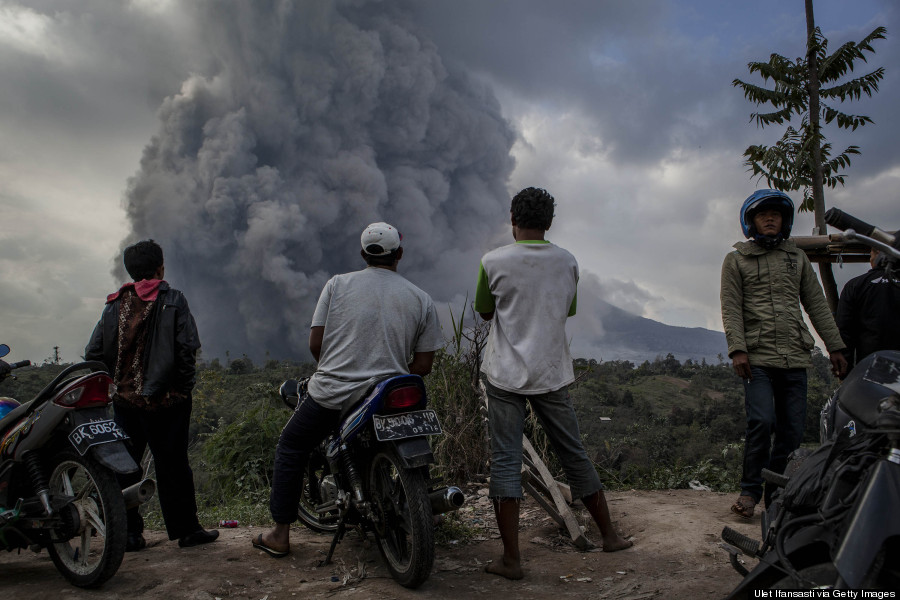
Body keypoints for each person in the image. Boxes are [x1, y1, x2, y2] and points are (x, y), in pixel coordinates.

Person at [253, 222, 444, 558]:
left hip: (333, 393)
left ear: (363, 254)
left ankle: (280, 534)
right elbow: (424, 366)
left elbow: (316, 344)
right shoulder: (421, 298)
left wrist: (342, 367)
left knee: (291, 445)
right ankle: (424, 510)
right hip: (386, 393)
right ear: (399, 253)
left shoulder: (337, 285)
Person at [474, 187, 632, 581]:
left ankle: (511, 560)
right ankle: (609, 535)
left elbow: (483, 311)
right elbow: (568, 309)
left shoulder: (492, 262)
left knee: (506, 461)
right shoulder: (567, 262)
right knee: (573, 452)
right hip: (550, 374)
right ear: (549, 223)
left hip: (505, 376)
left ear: (513, 220)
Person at [720, 190, 848, 519]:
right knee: (761, 422)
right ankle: (749, 492)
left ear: (785, 220)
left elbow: (816, 304)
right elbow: (731, 308)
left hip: (795, 357)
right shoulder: (736, 260)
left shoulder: (797, 259)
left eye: (776, 214)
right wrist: (738, 349)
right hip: (757, 358)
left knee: (791, 431)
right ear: (751, 221)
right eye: (763, 215)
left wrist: (834, 346)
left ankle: (776, 495)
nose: (770, 218)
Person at [85, 239, 218, 550]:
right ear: (161, 268)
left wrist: (113, 386)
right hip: (167, 402)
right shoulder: (173, 300)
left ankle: (130, 534)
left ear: (131, 271)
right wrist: (182, 390)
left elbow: (93, 352)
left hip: (125, 403)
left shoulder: (114, 304)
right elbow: (187, 348)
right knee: (172, 466)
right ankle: (187, 531)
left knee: (126, 467)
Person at [835, 248, 900, 369]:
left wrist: (846, 370)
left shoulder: (856, 285)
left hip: (870, 367)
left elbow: (844, 331)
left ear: (877, 255)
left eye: (870, 255)